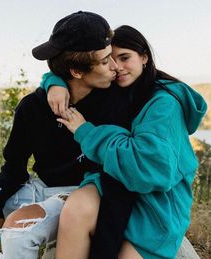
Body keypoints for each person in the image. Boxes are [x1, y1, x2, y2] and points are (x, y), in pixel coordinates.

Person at [0, 11, 134, 259]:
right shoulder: (33, 107)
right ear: (76, 72)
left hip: (80, 194)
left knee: (17, 234)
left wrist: (54, 81)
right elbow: (14, 168)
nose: (115, 67)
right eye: (105, 62)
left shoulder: (119, 102)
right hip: (38, 186)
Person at [42, 25, 207, 258]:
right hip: (117, 184)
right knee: (77, 208)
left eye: (125, 57)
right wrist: (54, 82)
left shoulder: (164, 105)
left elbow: (149, 167)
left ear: (144, 57)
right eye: (110, 58)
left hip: (156, 204)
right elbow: (80, 69)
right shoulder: (118, 89)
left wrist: (87, 133)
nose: (117, 67)